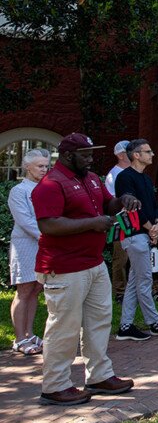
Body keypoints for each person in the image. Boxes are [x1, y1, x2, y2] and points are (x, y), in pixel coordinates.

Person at [32, 133, 140, 405]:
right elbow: (49, 224)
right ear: (68, 155)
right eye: (86, 154)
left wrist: (123, 200)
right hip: (64, 266)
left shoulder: (91, 178)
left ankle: (99, 375)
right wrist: (93, 224)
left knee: (99, 321)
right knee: (63, 327)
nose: (91, 158)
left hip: (93, 262)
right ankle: (55, 386)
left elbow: (107, 204)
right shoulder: (51, 184)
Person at [114, 139, 158, 341]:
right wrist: (149, 227)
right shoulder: (124, 178)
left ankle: (125, 327)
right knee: (144, 281)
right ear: (136, 155)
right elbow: (130, 208)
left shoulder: (145, 179)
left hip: (146, 234)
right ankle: (155, 323)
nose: (152, 154)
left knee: (135, 281)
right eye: (148, 151)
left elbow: (153, 205)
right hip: (134, 236)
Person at [8, 149, 49, 356]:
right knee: (23, 290)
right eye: (40, 166)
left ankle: (30, 333)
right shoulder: (19, 191)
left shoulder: (46, 188)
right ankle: (19, 338)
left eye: (45, 165)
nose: (44, 169)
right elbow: (25, 220)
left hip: (44, 244)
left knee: (35, 289)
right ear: (27, 167)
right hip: (25, 244)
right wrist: (48, 236)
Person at [105, 140, 131, 297]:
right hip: (120, 218)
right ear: (121, 155)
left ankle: (137, 291)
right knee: (120, 257)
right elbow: (111, 201)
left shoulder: (134, 172)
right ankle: (120, 292)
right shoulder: (113, 175)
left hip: (136, 217)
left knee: (138, 255)